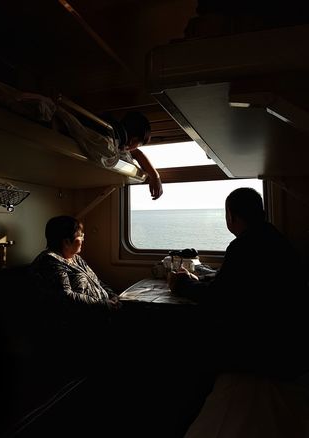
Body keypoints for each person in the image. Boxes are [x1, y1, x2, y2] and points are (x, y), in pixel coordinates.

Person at [168, 187, 309, 378]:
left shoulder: (243, 245)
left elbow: (217, 297)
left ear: (231, 217)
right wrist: (199, 279)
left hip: (264, 348)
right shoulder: (275, 238)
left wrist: (181, 283)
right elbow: (237, 283)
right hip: (289, 341)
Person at [30, 215, 121, 313]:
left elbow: (96, 281)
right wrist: (104, 304)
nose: (82, 239)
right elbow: (66, 296)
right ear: (66, 242)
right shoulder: (50, 262)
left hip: (102, 310)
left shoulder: (75, 258)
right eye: (80, 236)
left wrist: (113, 295)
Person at [102, 111, 163, 200]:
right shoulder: (110, 140)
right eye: (137, 145)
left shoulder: (115, 137)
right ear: (133, 140)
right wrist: (155, 177)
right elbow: (137, 153)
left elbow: (138, 154)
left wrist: (155, 176)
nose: (133, 149)